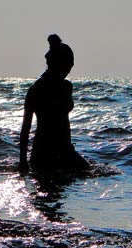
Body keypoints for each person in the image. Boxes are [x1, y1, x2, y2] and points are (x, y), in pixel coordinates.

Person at [19, 34, 90, 175]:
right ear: (58, 63)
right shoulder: (36, 89)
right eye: (68, 65)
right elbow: (25, 128)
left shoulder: (67, 86)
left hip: (66, 151)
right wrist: (23, 162)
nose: (70, 70)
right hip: (43, 153)